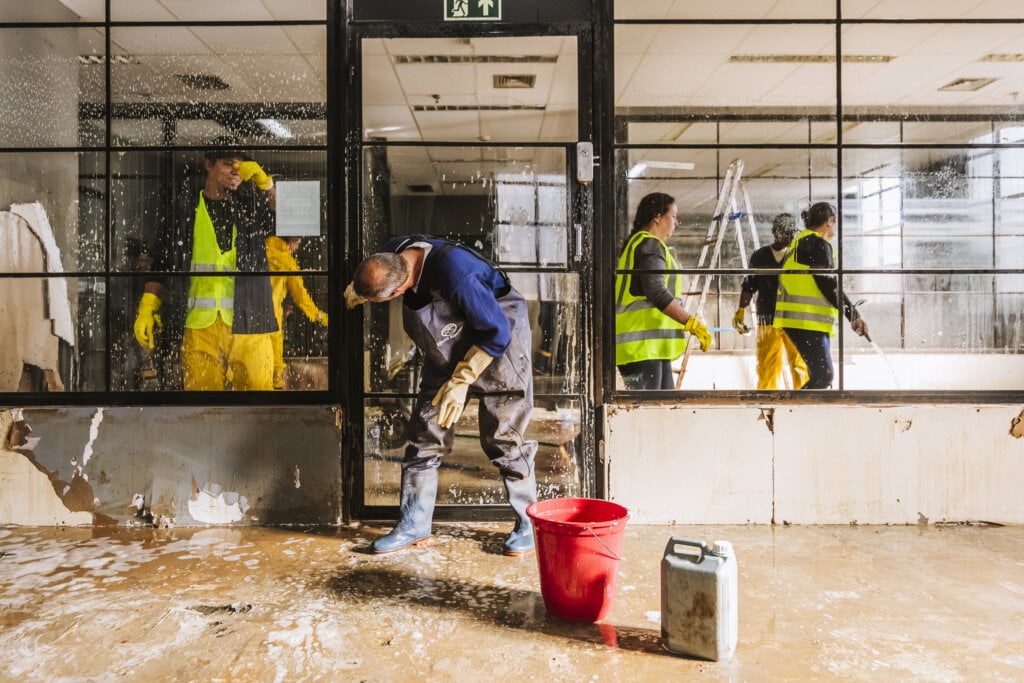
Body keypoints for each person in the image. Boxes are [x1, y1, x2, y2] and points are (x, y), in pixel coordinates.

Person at [346, 235, 538, 556]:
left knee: (504, 439)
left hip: (498, 344)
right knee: (424, 433)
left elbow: (496, 332)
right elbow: (375, 275)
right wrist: (358, 290)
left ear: (397, 291)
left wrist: (462, 379)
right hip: (446, 346)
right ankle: (413, 524)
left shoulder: (457, 274)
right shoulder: (394, 253)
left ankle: (529, 524)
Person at [133, 150, 278, 391]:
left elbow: (291, 218)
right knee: (204, 405)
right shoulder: (183, 214)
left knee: (257, 404)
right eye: (228, 164)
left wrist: (267, 185)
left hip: (250, 323)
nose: (235, 171)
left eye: (241, 167)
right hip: (199, 327)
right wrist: (147, 307)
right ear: (208, 165)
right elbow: (163, 266)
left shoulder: (252, 210)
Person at [615, 192, 712, 390]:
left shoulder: (638, 243)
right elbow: (656, 291)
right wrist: (690, 322)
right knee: (649, 411)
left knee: (661, 407)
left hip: (645, 348)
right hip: (641, 347)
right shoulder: (650, 244)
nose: (676, 223)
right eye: (674, 216)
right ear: (657, 216)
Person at [774, 202, 870, 389]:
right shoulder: (816, 243)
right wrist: (853, 315)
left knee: (819, 375)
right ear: (830, 221)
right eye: (835, 223)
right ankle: (793, 413)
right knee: (823, 376)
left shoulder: (799, 241)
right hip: (805, 320)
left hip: (799, 320)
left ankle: (799, 412)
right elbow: (827, 283)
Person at [733, 214, 809, 390]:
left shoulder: (799, 256)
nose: (791, 236)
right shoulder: (760, 256)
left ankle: (803, 404)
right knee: (767, 366)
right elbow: (749, 285)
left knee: (800, 366)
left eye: (793, 232)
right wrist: (741, 310)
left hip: (795, 320)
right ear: (776, 232)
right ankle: (768, 406)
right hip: (768, 319)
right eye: (787, 232)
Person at [265, 235, 328, 390]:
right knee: (274, 365)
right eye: (298, 242)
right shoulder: (286, 261)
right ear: (290, 241)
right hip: (271, 320)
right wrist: (320, 316)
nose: (298, 247)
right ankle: (273, 396)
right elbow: (300, 296)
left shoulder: (261, 250)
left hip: (249, 317)